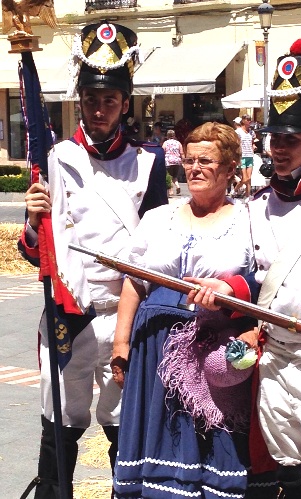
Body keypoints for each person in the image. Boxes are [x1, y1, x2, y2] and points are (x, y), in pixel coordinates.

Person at [185, 39, 301, 498]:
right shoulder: (259, 205)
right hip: (273, 362)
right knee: (287, 477)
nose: (280, 150)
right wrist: (225, 285)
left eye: (292, 140)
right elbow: (262, 279)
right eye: (275, 139)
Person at [18, 21, 168, 499]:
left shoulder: (149, 164)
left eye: (109, 100)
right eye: (89, 99)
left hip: (126, 315)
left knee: (125, 427)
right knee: (58, 425)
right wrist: (32, 218)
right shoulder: (55, 157)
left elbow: (160, 245)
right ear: (78, 100)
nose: (98, 109)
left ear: (125, 103)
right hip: (70, 315)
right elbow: (34, 250)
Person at [111, 122, 278, 499]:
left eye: (207, 160)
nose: (195, 168)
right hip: (153, 348)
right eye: (189, 160)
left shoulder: (249, 221)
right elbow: (134, 282)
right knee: (158, 439)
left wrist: (252, 332)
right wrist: (121, 344)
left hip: (214, 348)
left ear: (231, 167)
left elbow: (265, 286)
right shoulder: (158, 218)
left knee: (210, 438)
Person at [162, 129, 184, 196]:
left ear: (167, 136)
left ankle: (171, 191)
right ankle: (177, 186)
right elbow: (181, 152)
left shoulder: (166, 143)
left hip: (168, 161)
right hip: (177, 161)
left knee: (169, 176)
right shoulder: (178, 143)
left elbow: (163, 151)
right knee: (175, 176)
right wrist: (183, 161)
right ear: (174, 136)